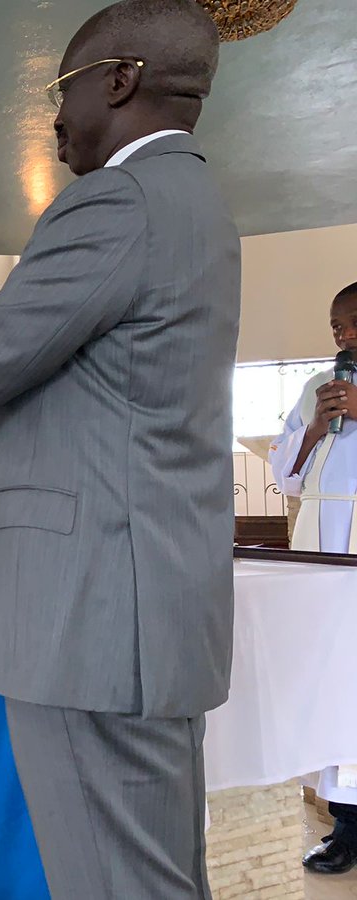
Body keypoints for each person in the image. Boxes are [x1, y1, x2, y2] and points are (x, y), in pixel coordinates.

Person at [0, 1, 239, 897]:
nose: (53, 117)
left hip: (91, 622)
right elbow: (78, 390)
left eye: (61, 88)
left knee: (113, 883)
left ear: (121, 78)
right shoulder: (188, 201)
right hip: (137, 615)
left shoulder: (114, 201)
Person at [270, 281, 357, 875]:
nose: (342, 335)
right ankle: (346, 826)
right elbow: (286, 477)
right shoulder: (313, 390)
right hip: (321, 558)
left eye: (351, 324)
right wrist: (311, 428)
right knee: (329, 683)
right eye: (335, 328)